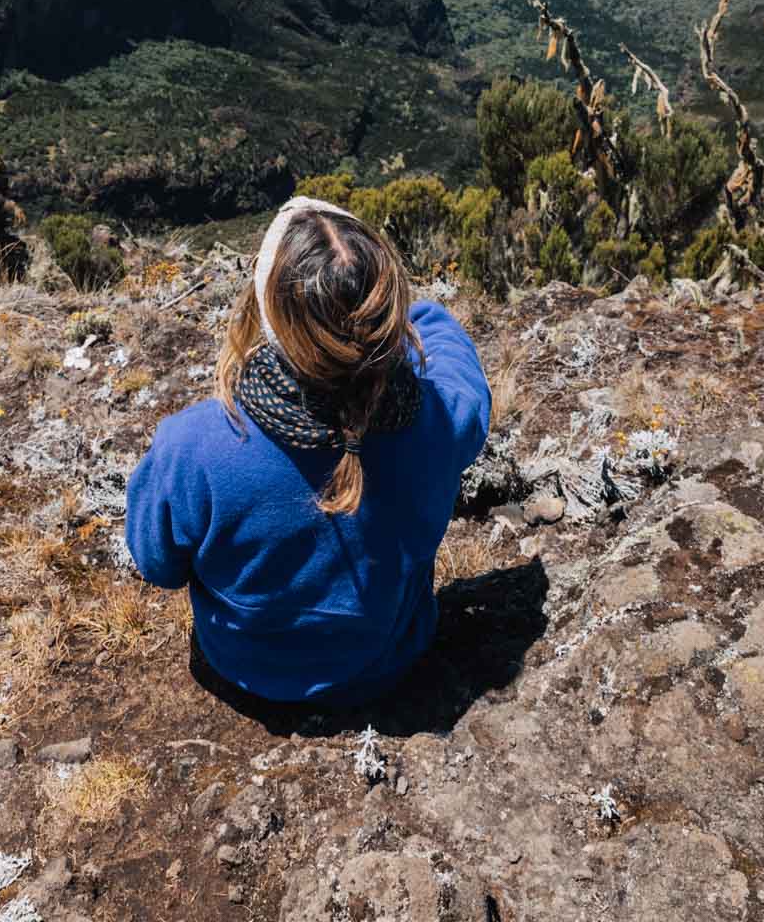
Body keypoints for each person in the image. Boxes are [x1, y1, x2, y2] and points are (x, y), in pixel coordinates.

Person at [124, 193, 491, 711]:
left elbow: (157, 563)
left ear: (269, 316)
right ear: (385, 315)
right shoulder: (441, 418)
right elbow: (453, 360)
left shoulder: (194, 447)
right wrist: (409, 319)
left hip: (246, 667)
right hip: (387, 661)